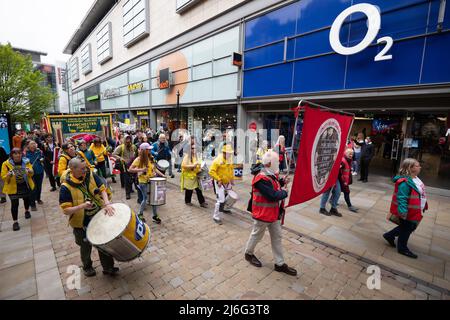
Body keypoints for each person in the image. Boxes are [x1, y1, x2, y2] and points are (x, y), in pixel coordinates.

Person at [59, 158, 118, 277]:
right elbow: (66, 210)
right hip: (81, 222)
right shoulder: (65, 187)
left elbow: (102, 189)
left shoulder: (90, 174)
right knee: (85, 246)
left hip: (97, 216)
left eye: (85, 167)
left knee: (103, 242)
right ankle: (87, 266)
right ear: (72, 169)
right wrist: (82, 206)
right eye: (82, 168)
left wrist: (106, 204)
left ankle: (108, 267)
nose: (85, 170)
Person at [244, 150, 297, 276]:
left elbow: (274, 184)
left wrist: (283, 182)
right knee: (257, 235)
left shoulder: (269, 173)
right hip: (263, 214)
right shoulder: (261, 178)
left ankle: (279, 264)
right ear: (269, 164)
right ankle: (248, 253)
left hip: (273, 214)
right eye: (276, 162)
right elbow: (272, 195)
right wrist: (284, 192)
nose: (278, 163)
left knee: (277, 238)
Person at [383, 159, 428, 259]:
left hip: (414, 210)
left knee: (408, 227)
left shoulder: (415, 178)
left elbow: (420, 193)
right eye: (417, 165)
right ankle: (402, 248)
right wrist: (403, 211)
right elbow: (402, 197)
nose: (420, 167)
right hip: (408, 211)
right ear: (410, 168)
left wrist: (424, 204)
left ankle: (389, 235)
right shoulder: (405, 182)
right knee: (407, 228)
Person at [129, 143, 165, 223]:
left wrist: (162, 175)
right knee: (145, 198)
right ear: (144, 150)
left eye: (150, 149)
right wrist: (141, 170)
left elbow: (155, 169)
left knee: (154, 199)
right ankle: (140, 214)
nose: (150, 150)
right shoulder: (138, 159)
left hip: (152, 181)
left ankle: (155, 216)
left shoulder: (151, 158)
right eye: (148, 149)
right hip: (143, 182)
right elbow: (130, 169)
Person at [1, 148, 34, 231]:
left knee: (26, 199)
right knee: (14, 204)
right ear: (12, 155)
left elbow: (31, 173)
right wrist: (8, 175)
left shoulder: (26, 161)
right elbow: (3, 177)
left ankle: (27, 211)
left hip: (25, 185)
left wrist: (30, 171)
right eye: (15, 154)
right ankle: (15, 222)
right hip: (13, 187)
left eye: (19, 153)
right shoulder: (6, 164)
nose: (17, 155)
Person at [209, 144, 235, 225]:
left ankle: (225, 208)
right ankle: (216, 216)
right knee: (220, 200)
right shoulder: (217, 160)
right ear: (224, 153)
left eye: (230, 153)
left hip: (227, 182)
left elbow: (231, 170)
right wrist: (218, 179)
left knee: (233, 197)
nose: (230, 154)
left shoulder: (229, 159)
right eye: (228, 153)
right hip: (219, 182)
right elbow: (211, 171)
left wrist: (232, 179)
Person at [112, 135, 138, 199]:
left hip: (133, 165)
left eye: (129, 139)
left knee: (133, 178)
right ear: (124, 140)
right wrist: (120, 158)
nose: (128, 141)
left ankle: (131, 189)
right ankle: (127, 194)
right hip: (125, 166)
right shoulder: (121, 147)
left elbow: (137, 154)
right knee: (127, 179)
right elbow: (114, 154)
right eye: (127, 139)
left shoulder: (134, 147)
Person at [26, 141, 45, 210]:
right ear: (28, 146)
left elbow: (42, 157)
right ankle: (32, 204)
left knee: (39, 187)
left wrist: (42, 159)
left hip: (40, 171)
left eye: (34, 144)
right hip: (31, 173)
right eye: (32, 144)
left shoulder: (39, 151)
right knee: (33, 188)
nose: (33, 145)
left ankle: (38, 199)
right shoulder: (26, 153)